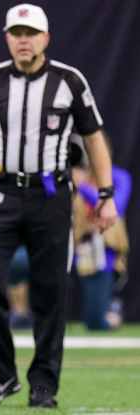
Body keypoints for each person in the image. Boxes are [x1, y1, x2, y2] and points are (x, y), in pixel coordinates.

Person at [0, 4, 118, 408]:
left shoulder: (69, 81)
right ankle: (3, 375)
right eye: (17, 33)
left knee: (50, 291)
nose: (24, 40)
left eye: (31, 33)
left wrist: (105, 194)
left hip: (51, 195)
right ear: (7, 38)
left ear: (45, 38)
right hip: (1, 193)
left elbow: (94, 137)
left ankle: (44, 383)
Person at [69, 133, 131, 331]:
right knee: (89, 319)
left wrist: (83, 187)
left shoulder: (119, 177)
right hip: (82, 253)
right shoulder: (78, 177)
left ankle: (113, 313)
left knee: (96, 323)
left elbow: (116, 207)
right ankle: (106, 309)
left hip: (107, 254)